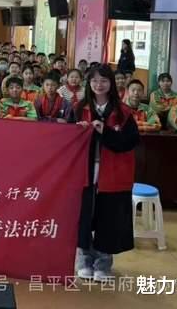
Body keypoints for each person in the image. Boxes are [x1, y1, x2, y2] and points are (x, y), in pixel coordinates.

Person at [68, 64, 139, 282]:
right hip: (84, 171)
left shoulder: (123, 112)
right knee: (84, 216)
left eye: (104, 81)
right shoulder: (79, 108)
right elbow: (66, 140)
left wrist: (105, 131)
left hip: (113, 173)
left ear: (112, 83)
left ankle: (103, 263)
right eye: (94, 81)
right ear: (88, 83)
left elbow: (130, 142)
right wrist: (78, 132)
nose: (99, 85)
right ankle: (84, 260)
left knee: (108, 217)